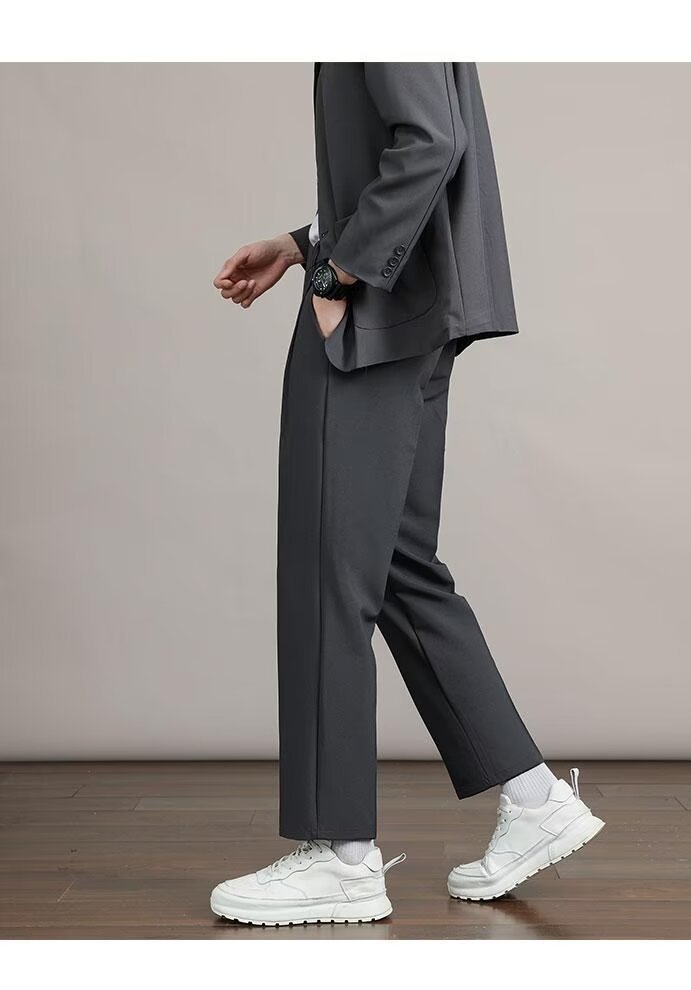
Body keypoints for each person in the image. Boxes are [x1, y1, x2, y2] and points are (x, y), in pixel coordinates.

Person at [209, 63, 604, 927]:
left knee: (328, 569)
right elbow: (416, 136)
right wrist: (305, 241)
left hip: (377, 314)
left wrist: (340, 272)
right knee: (394, 566)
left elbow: (430, 141)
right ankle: (534, 796)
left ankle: (340, 853)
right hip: (415, 308)